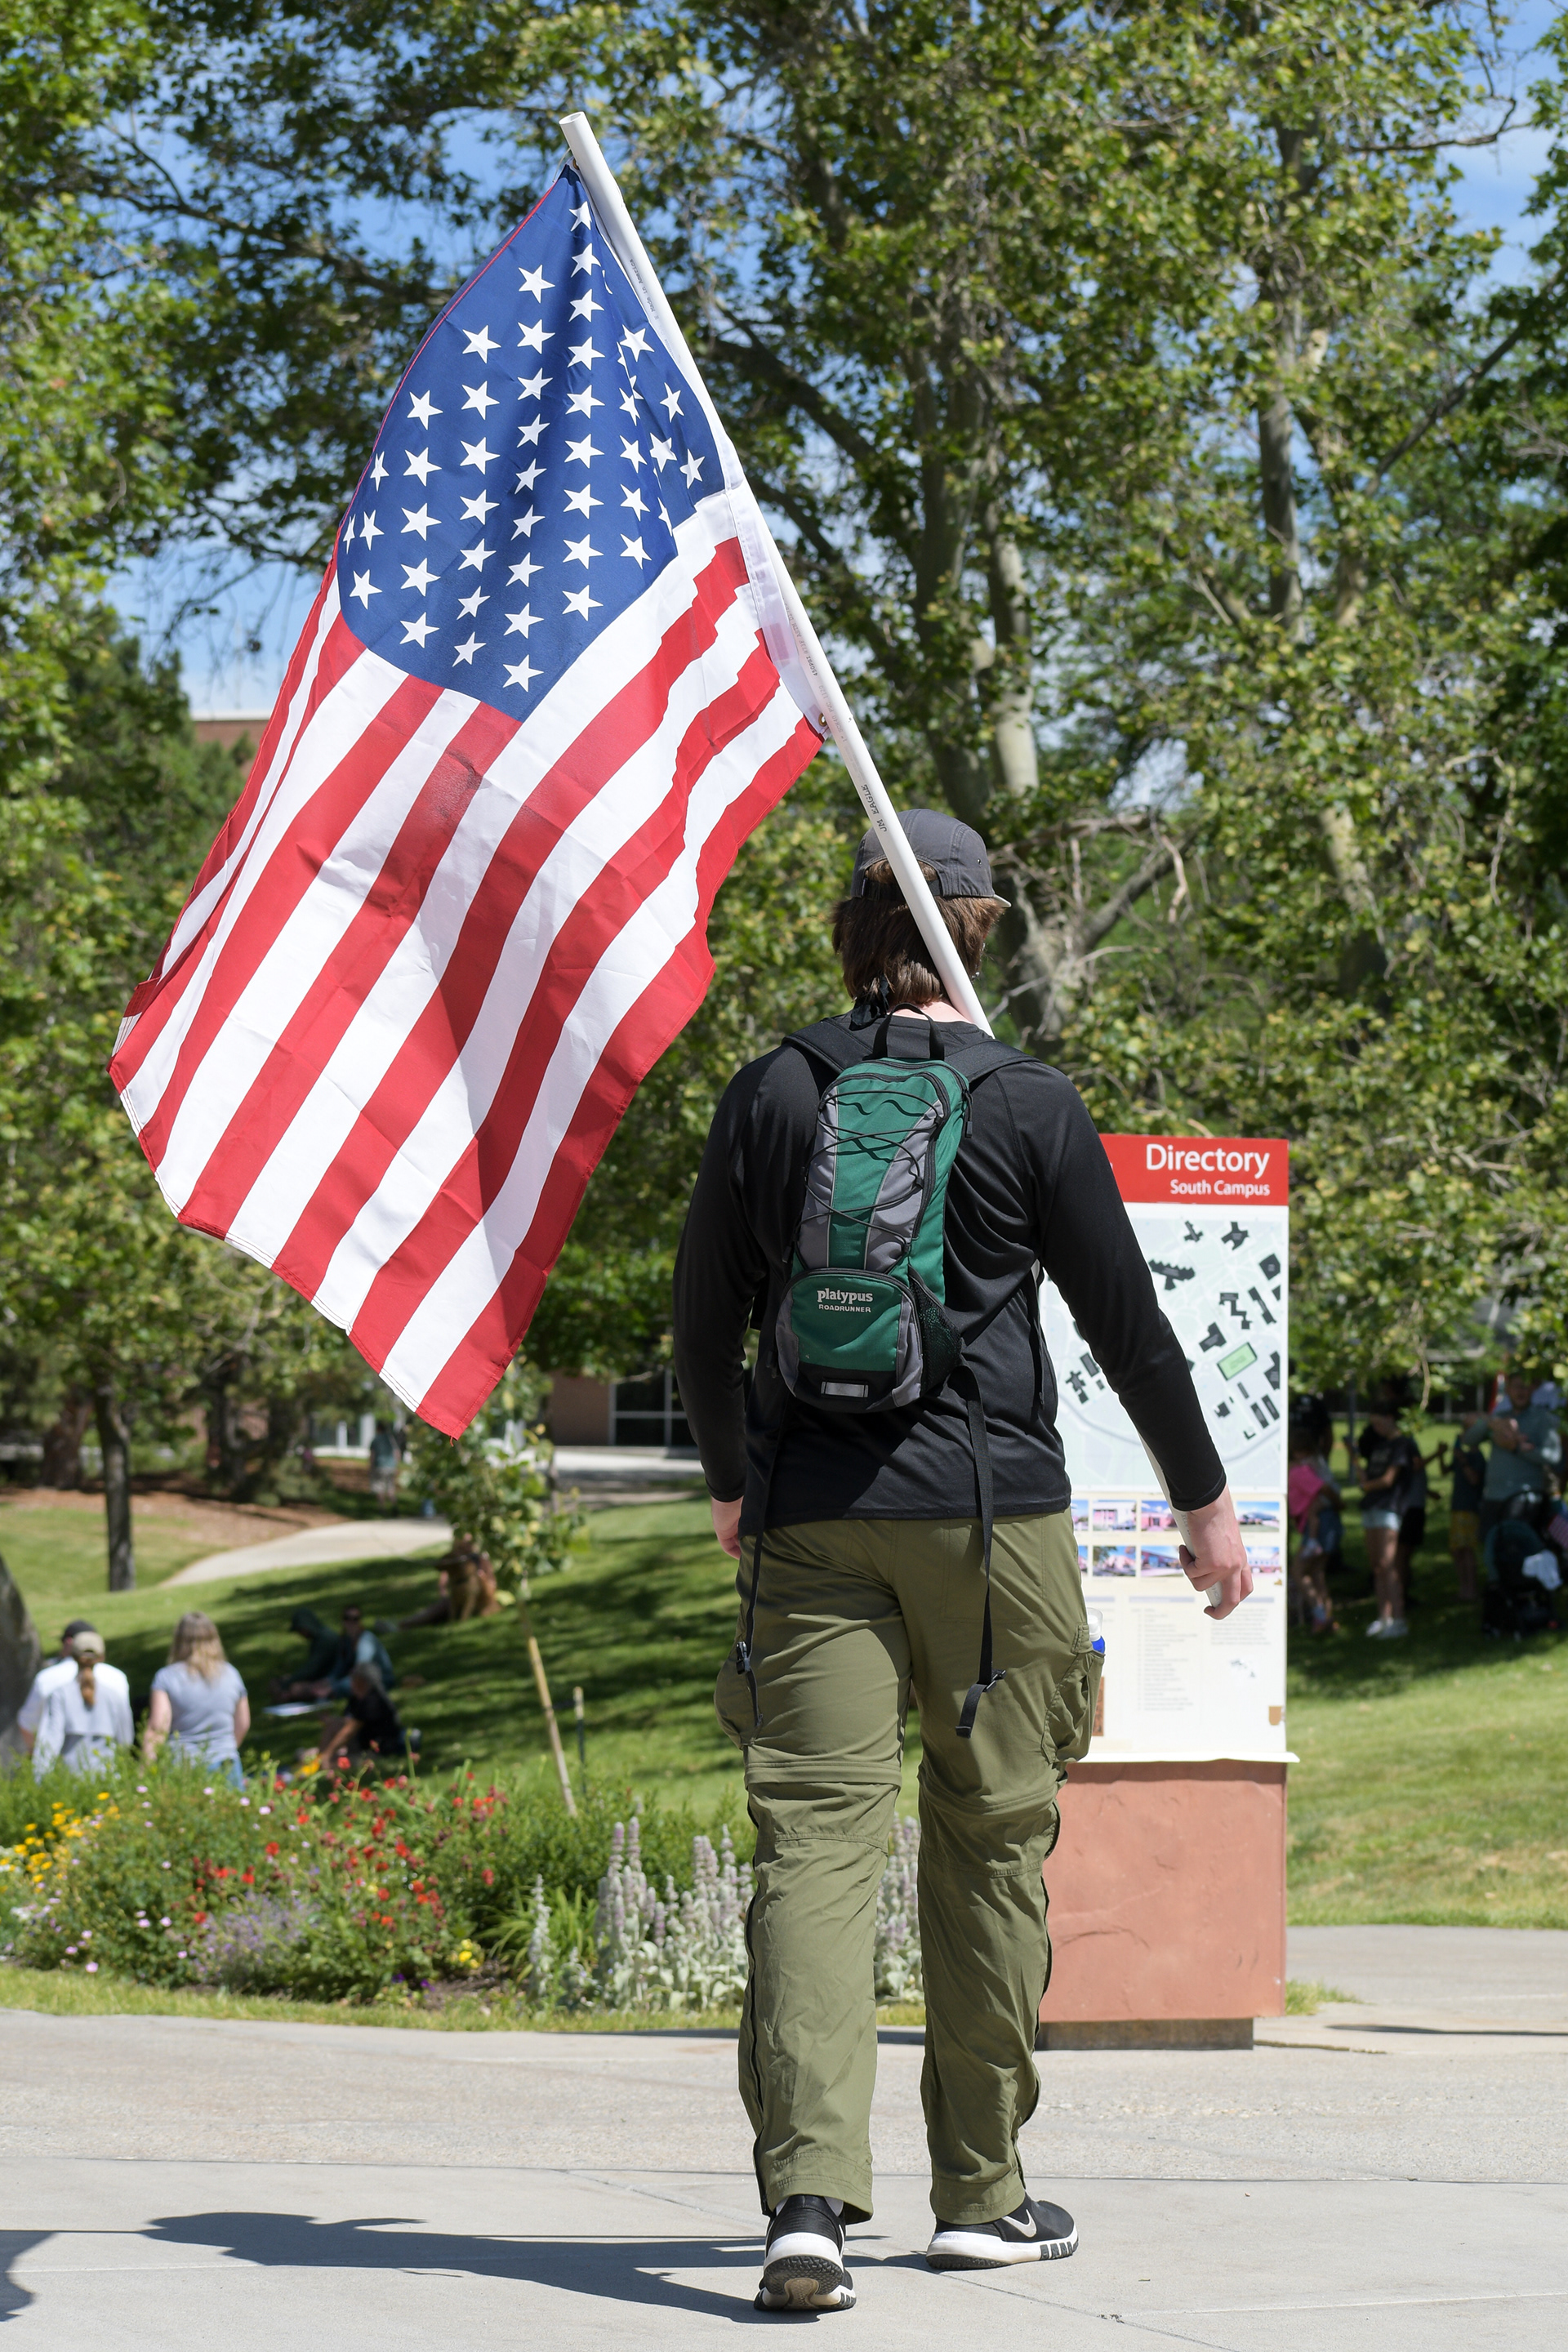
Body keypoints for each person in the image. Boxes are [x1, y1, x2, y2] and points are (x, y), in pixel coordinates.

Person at [672, 808, 1249, 2310]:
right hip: (997, 1525)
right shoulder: (1028, 1104)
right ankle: (982, 2195)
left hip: (811, 1524)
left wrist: (739, 1482)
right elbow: (1128, 1323)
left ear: (854, 934)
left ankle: (807, 2204)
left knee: (812, 1851)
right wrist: (1204, 1502)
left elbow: (697, 1321)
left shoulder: (771, 1093)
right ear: (977, 927)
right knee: (990, 1847)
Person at [1463, 1372, 1563, 1567]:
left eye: (1525, 1387)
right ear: (1508, 1390)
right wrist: (1488, 1421)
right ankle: (1500, 1590)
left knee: (1519, 1550)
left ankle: (1524, 1591)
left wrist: (1517, 1448)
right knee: (1493, 1548)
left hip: (1523, 1497)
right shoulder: (1499, 1418)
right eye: (1516, 1386)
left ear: (1532, 1390)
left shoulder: (1541, 1419)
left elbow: (1553, 1456)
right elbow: (1469, 1440)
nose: (1521, 1391)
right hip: (1493, 1496)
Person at [144, 1611, 250, 1784]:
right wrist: (225, 1749)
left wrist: (144, 1772)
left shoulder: (167, 1677)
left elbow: (158, 1728)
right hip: (227, 1764)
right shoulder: (231, 1674)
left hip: (183, 1767)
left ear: (178, 1640)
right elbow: (243, 1724)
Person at [1350, 1393, 1420, 1638]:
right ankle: (1384, 1616)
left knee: (1389, 1566)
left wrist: (1368, 1486)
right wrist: (1354, 1460)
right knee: (1377, 1567)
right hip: (1371, 1506)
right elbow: (1366, 1479)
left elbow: (1388, 1479)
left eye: (1379, 1422)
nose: (1376, 1428)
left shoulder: (1402, 1445)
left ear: (1390, 1418)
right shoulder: (1380, 1445)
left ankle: (1399, 1619)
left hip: (1389, 1508)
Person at [32, 1630, 133, 1779]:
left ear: (72, 1656)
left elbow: (50, 1740)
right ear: (101, 1657)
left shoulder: (60, 1695)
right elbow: (126, 1740)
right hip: (107, 1779)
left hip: (70, 1779)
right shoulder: (114, 1695)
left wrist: (40, 1778)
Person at [271, 1603, 394, 1701]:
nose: (351, 1622)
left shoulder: (365, 1641)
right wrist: (325, 1682)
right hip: (353, 1679)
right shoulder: (345, 1641)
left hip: (378, 1681)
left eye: (355, 1619)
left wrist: (331, 1688)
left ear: (360, 1620)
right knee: (311, 1688)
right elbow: (338, 1670)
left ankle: (321, 1695)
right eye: (347, 1618)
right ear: (342, 1621)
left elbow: (360, 1672)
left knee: (328, 1688)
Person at [13, 1619, 97, 1757]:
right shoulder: (115, 1677)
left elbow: (27, 1722)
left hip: (58, 1762)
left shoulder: (48, 1677)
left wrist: (35, 1757)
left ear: (69, 1643)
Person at [316, 1659, 407, 1772]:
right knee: (334, 1723)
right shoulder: (358, 1698)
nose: (351, 1682)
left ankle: (322, 1763)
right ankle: (319, 1759)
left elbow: (350, 1730)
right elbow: (347, 1722)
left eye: (353, 1678)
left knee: (336, 1764)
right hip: (361, 1743)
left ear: (361, 1680)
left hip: (377, 1751)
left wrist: (328, 1753)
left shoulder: (372, 1700)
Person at [1287, 1435, 1337, 1633]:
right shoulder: (1315, 1465)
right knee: (1317, 1573)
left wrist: (1339, 1503)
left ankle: (1319, 1615)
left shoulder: (1300, 1471)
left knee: (1300, 1572)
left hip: (1319, 1525)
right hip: (1327, 1522)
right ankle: (1327, 1618)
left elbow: (1321, 1488)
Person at [398, 1534, 499, 1628]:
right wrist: (444, 1596)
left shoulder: (480, 1559)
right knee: (437, 1610)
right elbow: (443, 1582)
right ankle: (404, 1624)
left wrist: (483, 1579)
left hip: (479, 1601)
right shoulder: (452, 1561)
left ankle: (458, 1623)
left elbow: (492, 1584)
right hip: (453, 1599)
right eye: (461, 1545)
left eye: (468, 1544)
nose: (465, 1548)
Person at [1445, 1423, 1486, 1605]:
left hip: (1469, 1508)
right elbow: (1445, 1472)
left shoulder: (1477, 1457)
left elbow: (1474, 1479)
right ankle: (1464, 1588)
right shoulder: (1462, 1455)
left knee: (1467, 1549)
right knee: (1456, 1550)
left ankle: (1471, 1590)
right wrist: (1441, 1455)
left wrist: (1463, 1460)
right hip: (1456, 1508)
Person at [368, 1418, 401, 1506]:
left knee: (380, 1489)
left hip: (379, 1466)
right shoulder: (390, 1439)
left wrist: (371, 1467)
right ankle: (394, 1506)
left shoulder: (375, 1440)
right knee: (391, 1488)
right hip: (391, 1467)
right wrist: (396, 1465)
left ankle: (382, 1509)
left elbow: (373, 1455)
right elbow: (397, 1453)